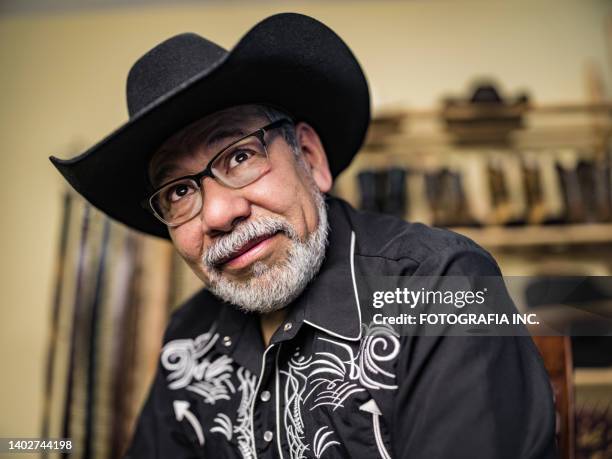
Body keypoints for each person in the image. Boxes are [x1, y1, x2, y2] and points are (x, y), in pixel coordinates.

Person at [50, 13, 556, 459]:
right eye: (180, 191)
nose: (220, 213)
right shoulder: (188, 336)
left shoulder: (447, 288)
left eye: (240, 156)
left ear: (310, 159)